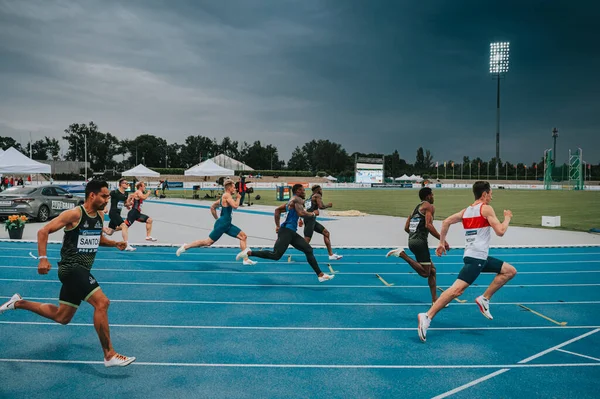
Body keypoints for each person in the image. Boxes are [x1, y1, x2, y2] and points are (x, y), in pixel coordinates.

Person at [0, 180, 136, 367]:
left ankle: (18, 302)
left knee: (62, 317)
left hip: (82, 271)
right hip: (71, 268)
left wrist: (114, 243)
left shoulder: (99, 215)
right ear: (92, 195)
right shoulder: (74, 214)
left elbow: (96, 238)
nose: (107, 199)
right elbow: (43, 231)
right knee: (102, 303)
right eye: (104, 196)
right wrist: (43, 258)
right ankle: (109, 354)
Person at [417, 181, 517, 342]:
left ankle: (484, 298)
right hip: (477, 258)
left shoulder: (467, 211)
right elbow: (500, 231)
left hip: (477, 257)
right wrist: (507, 218)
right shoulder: (486, 209)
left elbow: (446, 222)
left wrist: (441, 242)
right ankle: (427, 316)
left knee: (509, 271)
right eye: (490, 193)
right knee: (457, 290)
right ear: (484, 194)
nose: (492, 196)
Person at [235, 184, 335, 282]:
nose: (304, 192)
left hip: (290, 232)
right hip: (287, 231)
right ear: (297, 191)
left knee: (308, 250)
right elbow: (301, 213)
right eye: (303, 190)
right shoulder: (297, 199)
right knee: (276, 255)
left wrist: (278, 226)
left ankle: (320, 275)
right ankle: (248, 252)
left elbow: (277, 210)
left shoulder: (291, 201)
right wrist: (313, 213)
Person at [386, 188, 447, 304]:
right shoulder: (429, 206)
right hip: (420, 242)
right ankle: (402, 254)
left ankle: (435, 300)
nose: (433, 197)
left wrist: (415, 233)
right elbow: (429, 225)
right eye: (432, 195)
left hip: (412, 241)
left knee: (432, 271)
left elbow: (406, 228)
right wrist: (442, 240)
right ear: (428, 196)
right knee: (425, 273)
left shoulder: (415, 209)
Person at [176, 179, 256, 265]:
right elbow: (235, 206)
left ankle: (245, 259)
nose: (235, 189)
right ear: (229, 188)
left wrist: (217, 219)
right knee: (208, 242)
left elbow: (212, 207)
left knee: (243, 237)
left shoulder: (224, 197)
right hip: (222, 224)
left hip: (226, 224)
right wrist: (238, 198)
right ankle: (186, 246)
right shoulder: (226, 195)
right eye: (234, 187)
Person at [299, 185, 342, 260]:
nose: (322, 191)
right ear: (318, 190)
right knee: (306, 240)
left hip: (310, 219)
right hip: (310, 219)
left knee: (326, 233)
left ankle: (331, 255)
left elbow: (305, 206)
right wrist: (328, 205)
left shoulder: (310, 197)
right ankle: (290, 243)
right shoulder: (317, 195)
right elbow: (321, 206)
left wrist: (301, 218)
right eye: (321, 189)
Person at [103, 178, 136, 251]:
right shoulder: (114, 192)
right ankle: (126, 245)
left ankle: (99, 229)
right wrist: (105, 208)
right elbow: (105, 199)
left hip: (118, 213)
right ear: (120, 184)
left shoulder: (126, 194)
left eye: (128, 183)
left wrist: (129, 204)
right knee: (124, 226)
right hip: (113, 213)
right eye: (125, 183)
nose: (127, 184)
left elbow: (125, 204)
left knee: (109, 232)